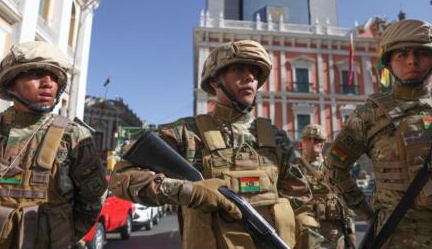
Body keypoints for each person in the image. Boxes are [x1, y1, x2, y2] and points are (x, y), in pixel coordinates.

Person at [109, 39, 311, 249]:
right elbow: (120, 178)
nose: (250, 77)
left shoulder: (276, 139)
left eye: (254, 72)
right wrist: (187, 191)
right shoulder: (187, 134)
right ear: (215, 82)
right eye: (239, 69)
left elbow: (301, 204)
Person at [325, 19, 432, 248]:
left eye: (422, 53)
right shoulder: (369, 116)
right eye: (402, 54)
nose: (412, 60)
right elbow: (334, 170)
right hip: (400, 238)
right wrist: (369, 215)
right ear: (389, 62)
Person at [0, 41, 107, 248]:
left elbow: (93, 200)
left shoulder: (73, 136)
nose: (48, 83)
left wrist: (59, 235)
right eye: (36, 73)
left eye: (55, 77)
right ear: (11, 82)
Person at [295, 124, 355, 249]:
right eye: (308, 139)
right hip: (305, 228)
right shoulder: (294, 167)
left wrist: (350, 232)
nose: (313, 142)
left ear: (323, 143)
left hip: (333, 229)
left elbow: (346, 198)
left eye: (317, 140)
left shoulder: (334, 167)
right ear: (302, 142)